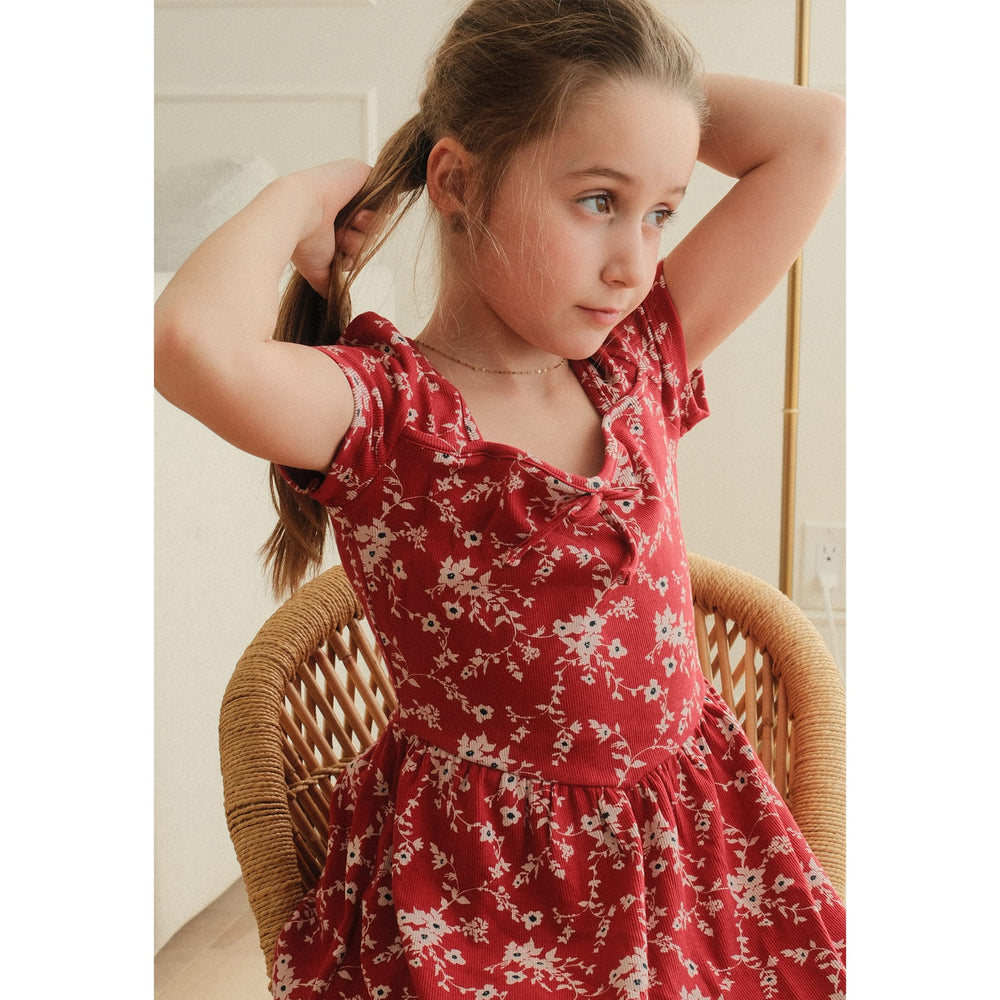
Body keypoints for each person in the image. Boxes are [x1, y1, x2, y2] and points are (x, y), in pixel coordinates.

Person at [155, 0, 846, 996]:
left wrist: (627, 96)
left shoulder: (637, 359)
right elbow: (189, 343)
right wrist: (307, 194)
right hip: (482, 900)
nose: (635, 261)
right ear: (456, 181)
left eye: (661, 212)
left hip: (691, 871)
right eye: (598, 200)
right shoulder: (382, 411)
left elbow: (816, 133)